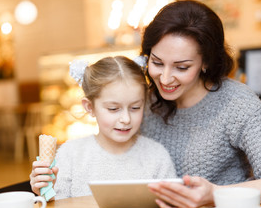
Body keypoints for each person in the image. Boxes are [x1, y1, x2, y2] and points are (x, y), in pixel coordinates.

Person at [138, 0, 261, 208]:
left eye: (182, 67)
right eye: (157, 63)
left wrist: (215, 194)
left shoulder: (236, 103)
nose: (165, 78)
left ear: (205, 62)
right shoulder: (144, 104)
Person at [30, 56, 176, 200]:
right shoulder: (70, 155)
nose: (126, 119)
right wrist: (46, 192)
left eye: (135, 107)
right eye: (113, 109)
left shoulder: (157, 156)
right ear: (90, 107)